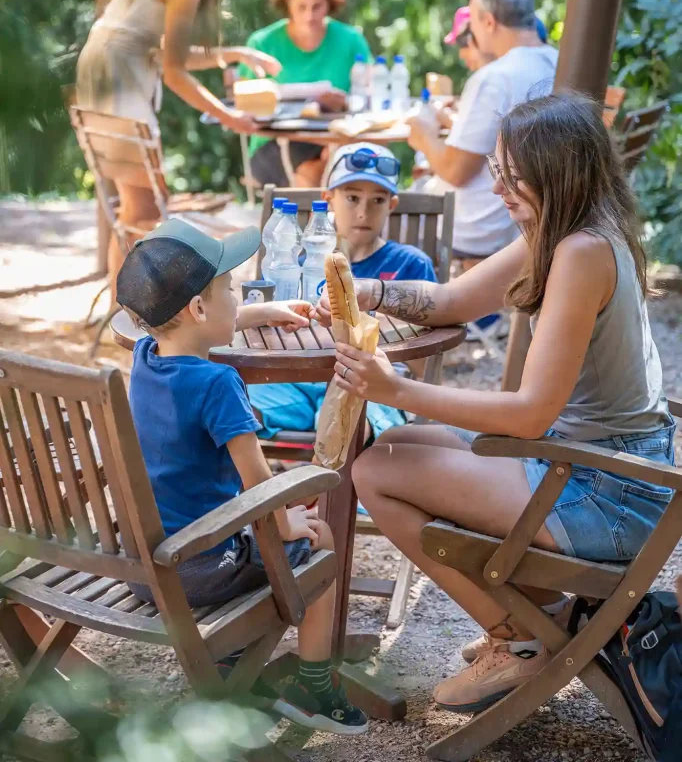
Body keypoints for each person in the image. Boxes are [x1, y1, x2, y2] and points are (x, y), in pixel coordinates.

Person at [318, 93, 675, 713]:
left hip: (608, 490)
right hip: (589, 460)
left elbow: (532, 412)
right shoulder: (563, 228)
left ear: (557, 174)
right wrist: (366, 291)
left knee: (374, 470)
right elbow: (456, 301)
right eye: (498, 174)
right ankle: (536, 611)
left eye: (514, 178)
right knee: (396, 445)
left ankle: (520, 638)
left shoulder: (581, 251)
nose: (502, 189)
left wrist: (396, 389)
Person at [116, 217, 368, 735]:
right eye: (229, 290)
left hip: (144, 562)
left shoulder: (146, 357)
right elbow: (257, 482)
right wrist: (290, 524)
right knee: (317, 539)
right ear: (200, 309)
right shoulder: (218, 384)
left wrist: (259, 311)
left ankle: (234, 664)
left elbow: (183, 327)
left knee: (278, 527)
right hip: (197, 565)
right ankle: (316, 685)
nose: (235, 295)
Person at [76, 0, 281, 282]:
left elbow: (171, 53)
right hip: (119, 83)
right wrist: (229, 117)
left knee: (134, 213)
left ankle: (120, 309)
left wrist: (235, 54)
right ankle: (134, 312)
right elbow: (175, 72)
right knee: (145, 212)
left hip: (106, 76)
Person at [248, 143, 436, 442]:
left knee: (341, 423)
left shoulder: (411, 265)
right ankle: (259, 487)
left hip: (371, 385)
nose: (363, 212)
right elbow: (258, 339)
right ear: (328, 199)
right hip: (298, 381)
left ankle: (315, 486)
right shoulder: (297, 265)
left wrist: (373, 324)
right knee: (229, 404)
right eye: (351, 198)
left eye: (377, 200)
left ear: (392, 205)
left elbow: (427, 365)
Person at [408, 0, 558, 269]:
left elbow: (456, 171)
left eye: (473, 21)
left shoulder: (495, 77)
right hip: (532, 213)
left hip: (479, 226)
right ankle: (485, 312)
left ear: (488, 22)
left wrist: (423, 135)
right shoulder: (557, 61)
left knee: (373, 211)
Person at [239, 0, 371, 188]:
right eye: (301, 7)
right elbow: (245, 104)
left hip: (335, 137)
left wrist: (344, 104)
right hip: (276, 141)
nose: (309, 16)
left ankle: (312, 218)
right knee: (316, 171)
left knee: (342, 158)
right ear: (287, 4)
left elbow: (371, 96)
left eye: (317, 6)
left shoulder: (350, 40)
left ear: (329, 3)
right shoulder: (263, 43)